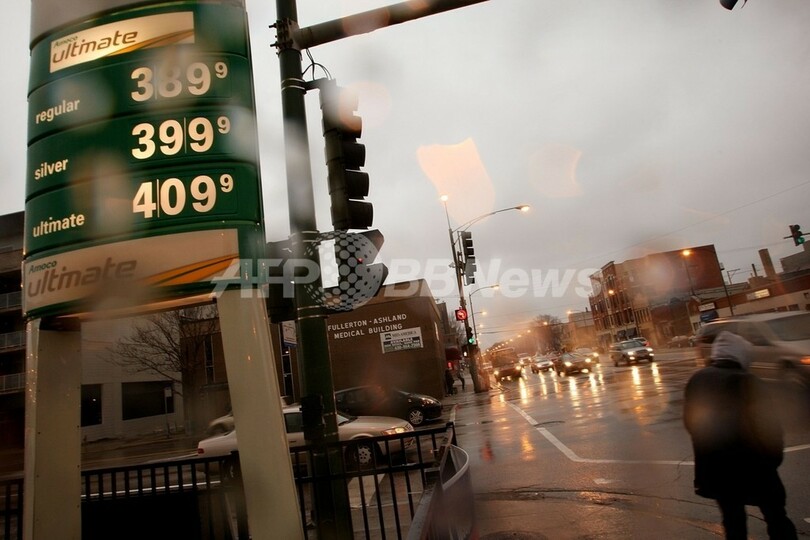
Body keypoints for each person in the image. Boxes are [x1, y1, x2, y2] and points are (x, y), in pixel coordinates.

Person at [683, 331, 797, 540]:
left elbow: (691, 422)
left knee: (733, 520)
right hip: (754, 466)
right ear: (741, 355)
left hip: (716, 467)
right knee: (776, 516)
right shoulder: (748, 381)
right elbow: (768, 427)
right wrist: (772, 460)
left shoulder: (698, 379)